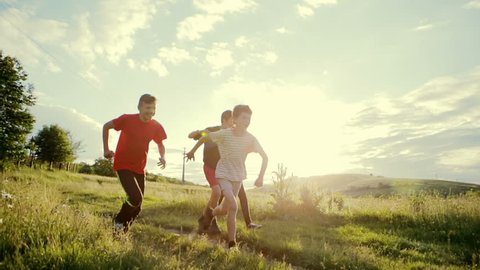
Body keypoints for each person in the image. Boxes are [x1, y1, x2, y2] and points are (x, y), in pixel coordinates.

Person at [196, 105, 268, 248]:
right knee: (233, 207)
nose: (247, 121)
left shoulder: (251, 138)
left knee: (223, 210)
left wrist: (260, 177)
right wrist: (199, 133)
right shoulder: (225, 133)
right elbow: (207, 137)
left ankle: (209, 215)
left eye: (249, 118)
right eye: (243, 118)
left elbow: (265, 157)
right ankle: (232, 243)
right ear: (234, 119)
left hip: (238, 177)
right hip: (223, 175)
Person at [102, 94, 167, 234]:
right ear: (139, 107)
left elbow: (160, 144)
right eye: (147, 107)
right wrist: (106, 149)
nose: (150, 111)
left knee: (137, 207)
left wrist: (163, 156)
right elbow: (106, 126)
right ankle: (118, 221)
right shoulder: (126, 119)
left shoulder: (156, 126)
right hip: (123, 164)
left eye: (153, 108)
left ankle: (120, 232)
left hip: (140, 168)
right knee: (135, 197)